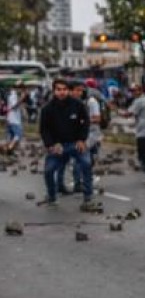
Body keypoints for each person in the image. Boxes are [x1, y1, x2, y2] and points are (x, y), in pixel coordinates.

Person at [40, 78, 93, 207]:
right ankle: (52, 196)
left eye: (64, 89)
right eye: (59, 89)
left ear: (68, 91)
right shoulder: (47, 109)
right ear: (54, 91)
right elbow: (44, 129)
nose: (62, 92)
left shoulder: (78, 105)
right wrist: (51, 145)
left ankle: (88, 196)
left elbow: (85, 122)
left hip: (75, 143)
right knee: (48, 170)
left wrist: (81, 139)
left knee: (86, 163)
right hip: (58, 145)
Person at [118, 83, 145, 184]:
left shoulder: (139, 101)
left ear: (140, 91)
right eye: (132, 91)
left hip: (144, 133)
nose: (132, 93)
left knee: (142, 156)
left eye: (134, 91)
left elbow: (127, 114)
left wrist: (117, 111)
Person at [4, 81, 25, 155]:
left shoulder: (13, 95)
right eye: (21, 88)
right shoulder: (13, 95)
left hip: (11, 118)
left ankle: (10, 151)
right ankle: (9, 149)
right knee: (18, 135)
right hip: (14, 120)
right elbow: (14, 106)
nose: (22, 90)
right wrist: (21, 99)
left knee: (12, 136)